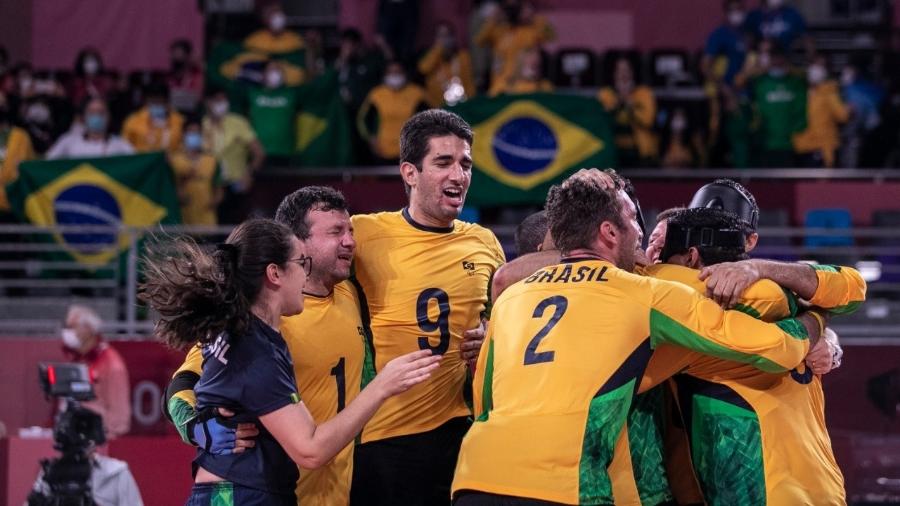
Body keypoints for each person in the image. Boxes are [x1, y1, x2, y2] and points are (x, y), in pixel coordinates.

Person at [451, 169, 825, 505]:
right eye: (633, 219)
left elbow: (483, 402)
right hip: (564, 483)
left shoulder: (512, 299)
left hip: (475, 476)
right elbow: (778, 348)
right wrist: (816, 321)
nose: (641, 234)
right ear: (609, 232)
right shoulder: (644, 294)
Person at [140, 218, 441, 505]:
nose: (305, 274)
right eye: (300, 263)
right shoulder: (255, 352)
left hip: (231, 491)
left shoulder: (243, 330)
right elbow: (309, 450)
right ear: (274, 274)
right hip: (242, 493)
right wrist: (382, 387)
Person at [640, 206, 863, 505]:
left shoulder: (704, 298)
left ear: (691, 256)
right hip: (822, 488)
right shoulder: (788, 296)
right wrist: (820, 315)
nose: (650, 254)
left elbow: (783, 339)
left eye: (659, 245)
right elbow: (851, 287)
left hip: (762, 491)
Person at [164, 187, 373, 505]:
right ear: (295, 245)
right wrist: (195, 427)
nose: (349, 241)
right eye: (335, 232)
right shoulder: (250, 331)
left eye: (350, 231)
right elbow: (183, 384)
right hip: (252, 488)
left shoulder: (349, 295)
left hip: (316, 494)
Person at [349, 109, 506, 506]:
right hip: (385, 439)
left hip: (464, 434)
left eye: (465, 164)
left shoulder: (484, 242)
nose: (459, 175)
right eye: (443, 162)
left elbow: (507, 323)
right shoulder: (364, 234)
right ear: (409, 173)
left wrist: (491, 335)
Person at [60, 305, 131, 439]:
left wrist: (97, 435)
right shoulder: (76, 359)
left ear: (88, 329)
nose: (67, 332)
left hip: (97, 442)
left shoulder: (112, 364)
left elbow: (120, 417)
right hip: (73, 438)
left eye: (72, 326)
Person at [202, 88, 265, 224]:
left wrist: (249, 173)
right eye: (217, 100)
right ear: (208, 102)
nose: (222, 104)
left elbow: (259, 153)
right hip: (209, 186)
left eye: (224, 100)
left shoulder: (238, 123)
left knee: (234, 226)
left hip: (235, 184)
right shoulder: (202, 125)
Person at [476, 0, 555, 93]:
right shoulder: (499, 31)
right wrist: (493, 20)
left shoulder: (531, 31)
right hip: (499, 86)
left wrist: (535, 19)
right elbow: (479, 40)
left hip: (523, 85)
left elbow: (551, 36)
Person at [746, 45, 805, 167]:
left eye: (780, 58)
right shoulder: (760, 83)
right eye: (774, 58)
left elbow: (801, 112)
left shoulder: (796, 83)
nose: (777, 62)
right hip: (765, 144)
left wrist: (796, 134)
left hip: (791, 145)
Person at [356, 61, 427, 162]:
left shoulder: (417, 94)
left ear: (405, 74)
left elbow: (430, 120)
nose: (394, 75)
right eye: (391, 72)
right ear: (385, 75)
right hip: (382, 150)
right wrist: (370, 139)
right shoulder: (376, 94)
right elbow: (362, 119)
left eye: (398, 72)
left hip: (410, 151)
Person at [599, 58, 658, 167]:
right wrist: (619, 102)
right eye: (620, 71)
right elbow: (602, 121)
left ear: (632, 73)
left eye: (626, 70)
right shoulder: (605, 94)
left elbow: (647, 120)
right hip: (613, 152)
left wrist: (630, 106)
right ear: (614, 74)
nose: (623, 74)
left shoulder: (644, 93)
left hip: (640, 153)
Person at [792, 57, 850, 168]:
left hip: (823, 148)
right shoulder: (799, 91)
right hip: (802, 146)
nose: (816, 70)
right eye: (814, 65)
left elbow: (843, 115)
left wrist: (848, 109)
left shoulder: (830, 92)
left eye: (821, 66)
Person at [168, 117, 222, 225]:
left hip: (207, 220)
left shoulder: (211, 160)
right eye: (191, 132)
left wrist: (213, 202)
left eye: (197, 132)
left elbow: (219, 189)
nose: (194, 135)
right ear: (183, 134)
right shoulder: (173, 160)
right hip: (182, 219)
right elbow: (169, 188)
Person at [46, 97, 135, 159]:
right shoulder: (68, 142)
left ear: (108, 117)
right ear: (84, 117)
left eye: (101, 112)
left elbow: (137, 164)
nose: (96, 116)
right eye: (92, 112)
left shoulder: (121, 145)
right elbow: (46, 165)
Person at [247, 60, 299, 160]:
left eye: (278, 70)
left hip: (286, 153)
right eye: (271, 70)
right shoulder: (252, 94)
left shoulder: (291, 94)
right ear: (263, 74)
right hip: (258, 154)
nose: (275, 73)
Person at [418, 21, 476, 107]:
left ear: (453, 38)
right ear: (435, 39)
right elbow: (423, 69)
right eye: (441, 36)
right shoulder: (431, 58)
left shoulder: (463, 57)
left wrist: (471, 104)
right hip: (439, 109)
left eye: (447, 36)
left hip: (463, 106)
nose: (444, 40)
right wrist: (438, 49)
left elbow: (470, 83)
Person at [121, 82, 184, 152]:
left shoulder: (179, 121)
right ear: (145, 101)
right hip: (143, 161)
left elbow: (183, 148)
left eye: (159, 101)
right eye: (153, 101)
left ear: (167, 101)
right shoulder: (133, 121)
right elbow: (125, 148)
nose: (156, 104)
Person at [702, 0, 750, 88]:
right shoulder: (719, 35)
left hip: (745, 85)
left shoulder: (748, 33)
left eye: (739, 9)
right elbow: (705, 66)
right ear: (726, 13)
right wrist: (722, 87)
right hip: (726, 86)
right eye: (732, 10)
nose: (736, 13)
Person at [744, 0, 808, 51]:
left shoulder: (792, 14)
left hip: (786, 58)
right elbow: (747, 39)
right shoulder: (754, 15)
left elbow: (806, 37)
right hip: (760, 57)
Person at [487, 47, 553, 97]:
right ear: (519, 63)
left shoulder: (545, 86)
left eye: (538, 65)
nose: (536, 60)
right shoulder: (502, 87)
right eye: (532, 65)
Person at [167, 39, 205, 114]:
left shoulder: (197, 75)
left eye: (178, 53)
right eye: (173, 53)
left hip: (191, 114)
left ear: (188, 56)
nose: (175, 57)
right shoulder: (169, 77)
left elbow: (197, 98)